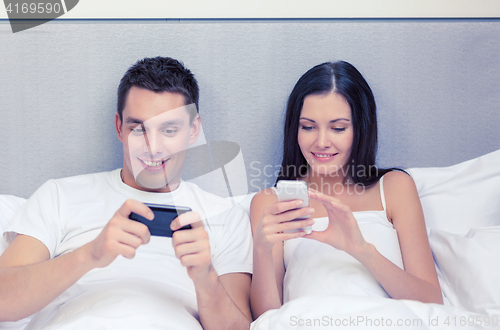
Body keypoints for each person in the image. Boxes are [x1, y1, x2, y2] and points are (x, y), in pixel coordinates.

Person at [0, 57, 253, 330]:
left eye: (169, 130)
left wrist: (205, 276)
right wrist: (91, 255)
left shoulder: (226, 216)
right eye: (138, 128)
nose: (152, 147)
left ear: (193, 130)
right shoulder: (60, 195)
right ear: (120, 127)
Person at [250, 61, 443, 319]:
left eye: (338, 128)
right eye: (308, 126)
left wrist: (361, 250)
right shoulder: (269, 203)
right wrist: (262, 249)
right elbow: (266, 318)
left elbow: (432, 303)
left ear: (361, 128)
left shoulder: (395, 188)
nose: (321, 142)